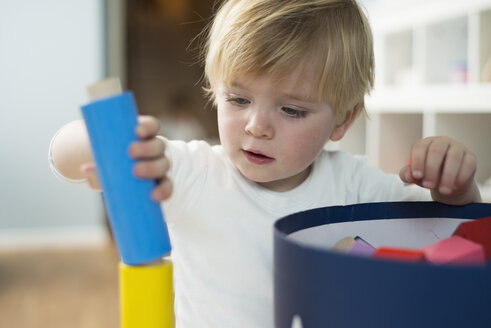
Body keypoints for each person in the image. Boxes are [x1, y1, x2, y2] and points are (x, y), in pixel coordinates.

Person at [49, 0, 482, 326]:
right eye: (238, 99)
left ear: (343, 119)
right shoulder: (193, 171)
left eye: (291, 110)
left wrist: (458, 190)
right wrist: (107, 145)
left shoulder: (355, 184)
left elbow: (451, 237)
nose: (256, 126)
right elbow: (62, 155)